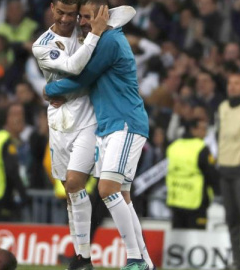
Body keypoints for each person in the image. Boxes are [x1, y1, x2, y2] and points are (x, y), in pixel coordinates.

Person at [44, 1, 155, 269]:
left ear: (103, 18)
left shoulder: (110, 41)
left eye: (87, 17)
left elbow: (84, 77)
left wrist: (51, 90)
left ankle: (135, 258)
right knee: (123, 197)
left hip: (125, 123)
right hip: (109, 126)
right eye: (80, 16)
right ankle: (145, 262)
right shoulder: (103, 40)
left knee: (107, 189)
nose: (82, 22)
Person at [166, 118, 220, 229]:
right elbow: (211, 175)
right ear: (193, 130)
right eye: (203, 129)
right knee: (196, 239)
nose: (205, 132)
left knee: (177, 238)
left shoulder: (173, 146)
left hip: (175, 199)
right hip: (196, 201)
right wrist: (218, 190)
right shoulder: (201, 148)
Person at [218, 72, 240, 270]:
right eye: (230, 83)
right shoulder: (222, 107)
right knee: (232, 219)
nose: (232, 86)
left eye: (237, 83)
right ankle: (237, 261)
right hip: (225, 168)